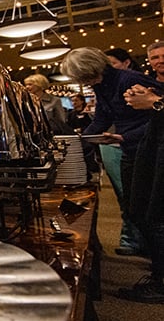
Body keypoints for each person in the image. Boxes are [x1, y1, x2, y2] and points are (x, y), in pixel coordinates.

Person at [60, 47, 161, 256]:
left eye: (86, 77)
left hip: (151, 150)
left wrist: (125, 137)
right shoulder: (101, 85)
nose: (86, 82)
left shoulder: (128, 79)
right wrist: (79, 142)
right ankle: (151, 256)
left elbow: (159, 115)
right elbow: (102, 118)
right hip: (131, 149)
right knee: (134, 207)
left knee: (149, 211)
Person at [118, 82, 164, 303]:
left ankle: (160, 283)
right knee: (140, 211)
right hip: (154, 142)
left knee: (156, 217)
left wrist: (155, 102)